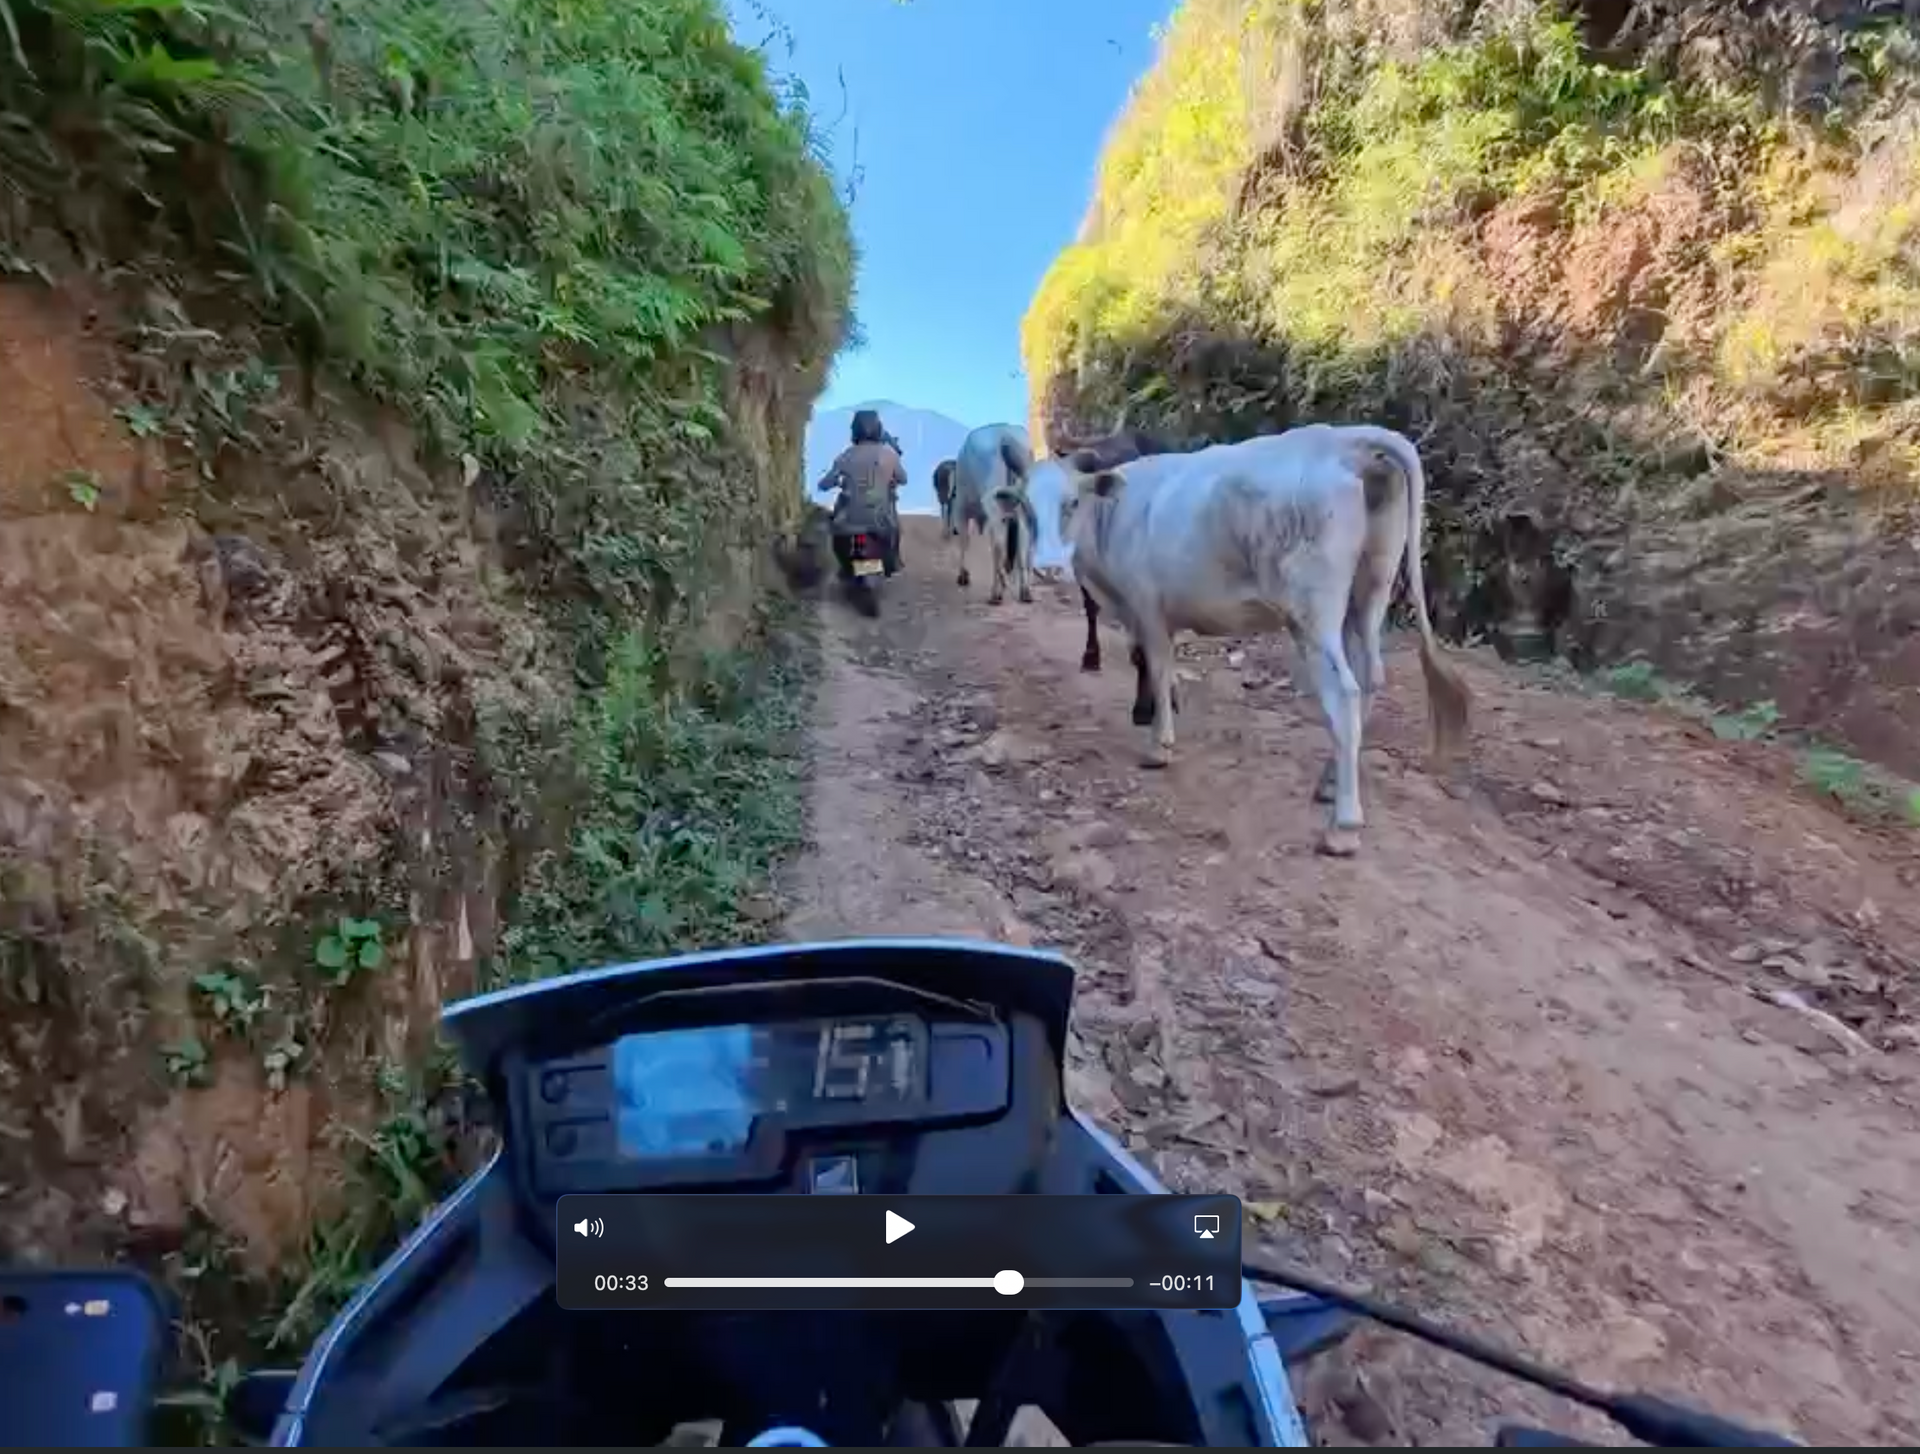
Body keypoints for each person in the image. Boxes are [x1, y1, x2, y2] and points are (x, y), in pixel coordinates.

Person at [815, 409, 906, 575]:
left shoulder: (846, 456)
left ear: (854, 430)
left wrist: (830, 483)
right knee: (894, 528)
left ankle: (850, 569)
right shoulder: (889, 454)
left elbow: (826, 483)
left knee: (836, 534)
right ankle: (890, 563)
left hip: (849, 523)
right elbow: (903, 478)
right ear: (879, 429)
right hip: (881, 521)